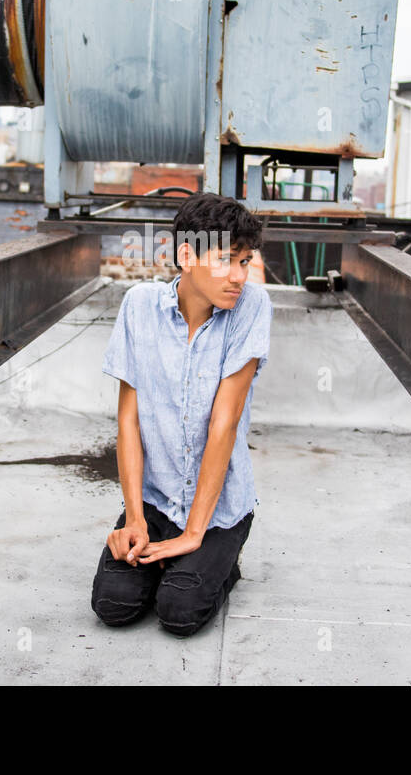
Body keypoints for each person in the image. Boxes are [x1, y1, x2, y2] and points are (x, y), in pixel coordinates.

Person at [90, 192, 272, 636]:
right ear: (187, 255)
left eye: (245, 262)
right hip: (156, 499)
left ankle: (217, 560)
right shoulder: (139, 306)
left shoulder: (251, 309)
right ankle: (168, 552)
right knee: (113, 604)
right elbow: (129, 421)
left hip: (219, 509)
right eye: (227, 260)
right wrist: (134, 519)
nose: (238, 276)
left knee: (180, 611)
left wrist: (194, 534)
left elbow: (223, 424)